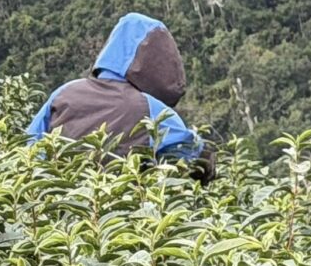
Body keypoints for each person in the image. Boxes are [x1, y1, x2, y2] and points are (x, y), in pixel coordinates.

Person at [26, 13, 215, 182]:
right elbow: (193, 154)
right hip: (127, 213)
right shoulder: (151, 108)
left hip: (60, 207)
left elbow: (29, 147)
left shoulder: (64, 93)